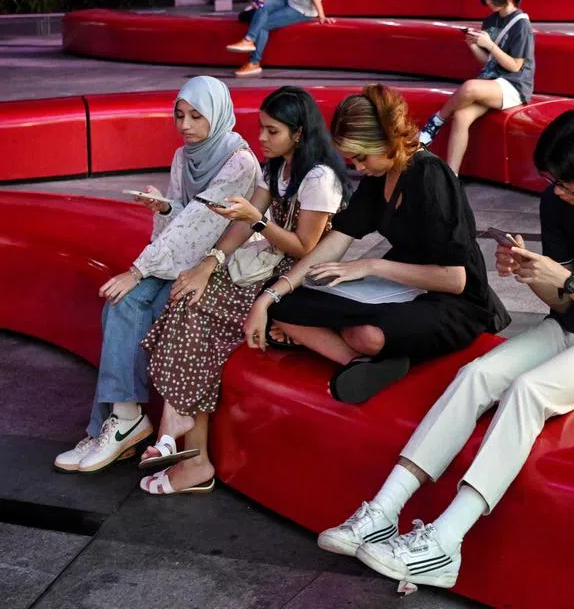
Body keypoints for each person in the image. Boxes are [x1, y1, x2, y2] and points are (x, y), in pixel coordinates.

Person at [316, 109, 574, 590]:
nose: (561, 194)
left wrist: (565, 279)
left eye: (571, 186)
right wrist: (531, 274)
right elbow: (560, 301)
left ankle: (447, 540)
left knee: (528, 391)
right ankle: (383, 509)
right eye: (554, 183)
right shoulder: (559, 198)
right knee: (476, 375)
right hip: (570, 324)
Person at [137, 87, 350, 495]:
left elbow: (305, 246)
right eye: (261, 129)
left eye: (272, 131)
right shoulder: (277, 167)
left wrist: (258, 220)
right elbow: (240, 223)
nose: (263, 139)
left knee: (197, 317)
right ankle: (181, 442)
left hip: (300, 276)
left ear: (299, 133)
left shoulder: (319, 178)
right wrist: (210, 262)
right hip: (266, 262)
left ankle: (188, 449)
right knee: (188, 297)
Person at [243, 85, 506, 404]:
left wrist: (370, 265)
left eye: (360, 157)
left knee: (365, 334)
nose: (357, 167)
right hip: (400, 288)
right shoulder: (378, 176)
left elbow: (455, 279)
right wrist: (269, 297)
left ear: (386, 141)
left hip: (456, 303)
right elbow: (335, 242)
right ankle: (364, 364)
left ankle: (369, 355)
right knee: (282, 301)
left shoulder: (430, 176)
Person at [53, 77, 260, 475]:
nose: (185, 125)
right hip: (181, 258)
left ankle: (116, 425)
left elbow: (201, 223)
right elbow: (182, 217)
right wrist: (164, 208)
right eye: (179, 115)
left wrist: (138, 269)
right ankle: (122, 418)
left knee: (141, 297)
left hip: (218, 266)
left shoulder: (239, 161)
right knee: (123, 300)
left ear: (217, 114)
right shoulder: (185, 156)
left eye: (197, 116)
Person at [418, 0, 535, 173]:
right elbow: (488, 61)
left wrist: (489, 44)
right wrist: (474, 45)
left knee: (470, 87)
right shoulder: (490, 20)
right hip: (491, 81)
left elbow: (515, 66)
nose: (487, 1)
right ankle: (451, 176)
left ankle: (436, 121)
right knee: (462, 116)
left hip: (514, 85)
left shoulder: (521, 24)